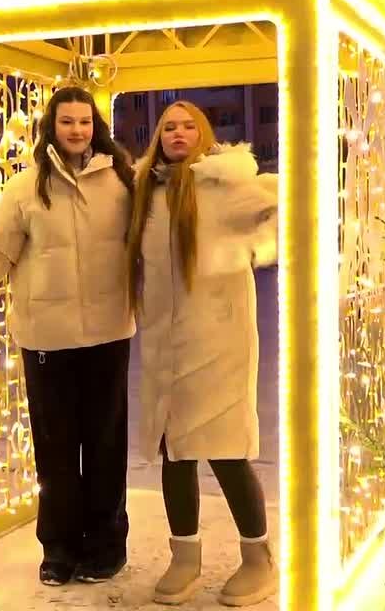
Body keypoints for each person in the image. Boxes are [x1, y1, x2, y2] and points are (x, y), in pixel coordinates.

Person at [0, 85, 135, 586]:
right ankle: (59, 549)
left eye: (85, 121)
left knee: (106, 446)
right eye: (67, 121)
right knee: (55, 450)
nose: (77, 130)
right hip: (47, 340)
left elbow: (154, 240)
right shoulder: (25, 188)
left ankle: (106, 546)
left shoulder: (122, 181)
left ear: (96, 126)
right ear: (52, 126)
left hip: (109, 335)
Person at [126, 100, 279, 606]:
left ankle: (258, 558)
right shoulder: (146, 192)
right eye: (169, 126)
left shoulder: (223, 185)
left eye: (189, 125)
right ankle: (184, 556)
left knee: (227, 450)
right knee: (175, 452)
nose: (178, 133)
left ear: (204, 133)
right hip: (165, 344)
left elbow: (280, 209)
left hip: (220, 342)